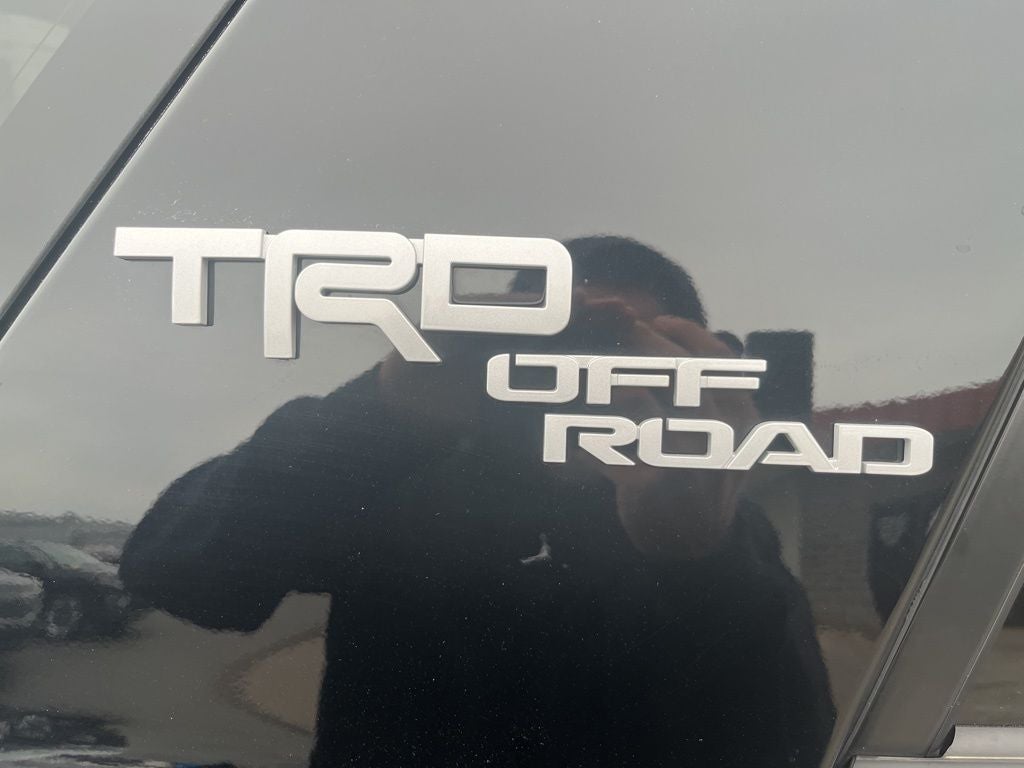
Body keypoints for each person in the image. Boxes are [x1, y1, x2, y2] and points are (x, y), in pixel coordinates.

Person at [120, 236, 835, 767]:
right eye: (569, 343)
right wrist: (389, 406)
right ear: (498, 354)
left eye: (634, 350)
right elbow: (177, 574)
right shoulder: (411, 485)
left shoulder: (715, 525)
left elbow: (792, 744)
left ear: (694, 371)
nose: (593, 375)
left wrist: (701, 562)